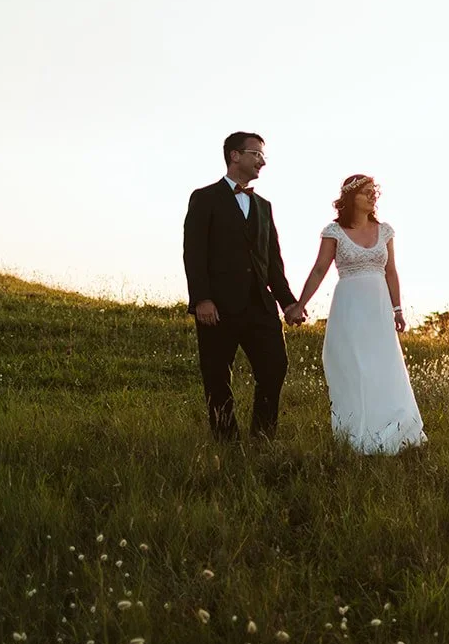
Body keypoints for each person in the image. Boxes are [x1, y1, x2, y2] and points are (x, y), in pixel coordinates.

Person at [181, 131, 306, 440]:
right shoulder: (204, 197)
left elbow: (272, 261)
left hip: (259, 307)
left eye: (263, 156)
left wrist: (288, 302)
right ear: (235, 155)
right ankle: (226, 440)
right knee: (216, 375)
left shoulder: (263, 206)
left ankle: (263, 436)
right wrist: (201, 299)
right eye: (256, 154)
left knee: (274, 368)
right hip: (217, 307)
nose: (262, 161)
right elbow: (193, 252)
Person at [294, 174, 426, 454]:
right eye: (365, 192)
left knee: (383, 366)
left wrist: (398, 309)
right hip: (349, 307)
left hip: (378, 309)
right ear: (350, 198)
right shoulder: (334, 231)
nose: (372, 196)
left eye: (373, 191)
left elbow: (391, 271)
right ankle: (356, 430)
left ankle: (393, 426)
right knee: (355, 367)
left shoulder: (385, 230)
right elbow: (320, 269)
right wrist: (300, 303)